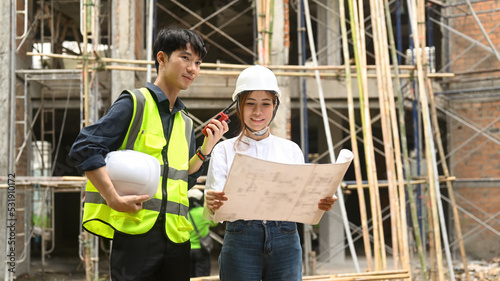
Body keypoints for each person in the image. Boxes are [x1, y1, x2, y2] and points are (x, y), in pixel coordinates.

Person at [69, 27, 228, 281]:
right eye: (185, 58)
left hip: (177, 238)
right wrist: (112, 197)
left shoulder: (185, 122)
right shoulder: (135, 103)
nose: (192, 69)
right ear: (162, 59)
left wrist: (205, 149)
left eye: (198, 62)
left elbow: (181, 180)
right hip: (136, 235)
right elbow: (85, 147)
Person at [203, 65, 338, 281]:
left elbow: (300, 201)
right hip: (241, 238)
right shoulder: (224, 150)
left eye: (266, 104)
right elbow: (213, 211)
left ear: (275, 105)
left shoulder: (290, 150)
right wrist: (211, 203)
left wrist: (319, 202)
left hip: (285, 237)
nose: (258, 112)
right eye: (250, 104)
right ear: (239, 106)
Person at [187, 188, 218, 277]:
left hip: (187, 249)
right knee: (203, 276)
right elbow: (214, 223)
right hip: (202, 249)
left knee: (190, 276)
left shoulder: (184, 213)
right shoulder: (202, 212)